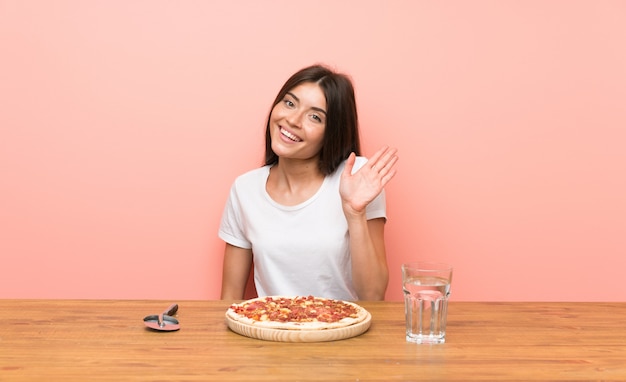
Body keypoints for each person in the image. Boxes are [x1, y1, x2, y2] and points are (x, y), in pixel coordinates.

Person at [219, 64, 398, 301]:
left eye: (315, 117)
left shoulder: (357, 178)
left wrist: (355, 213)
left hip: (344, 333)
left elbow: (373, 295)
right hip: (273, 331)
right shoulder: (245, 189)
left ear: (332, 132)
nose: (292, 120)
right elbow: (229, 298)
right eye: (290, 103)